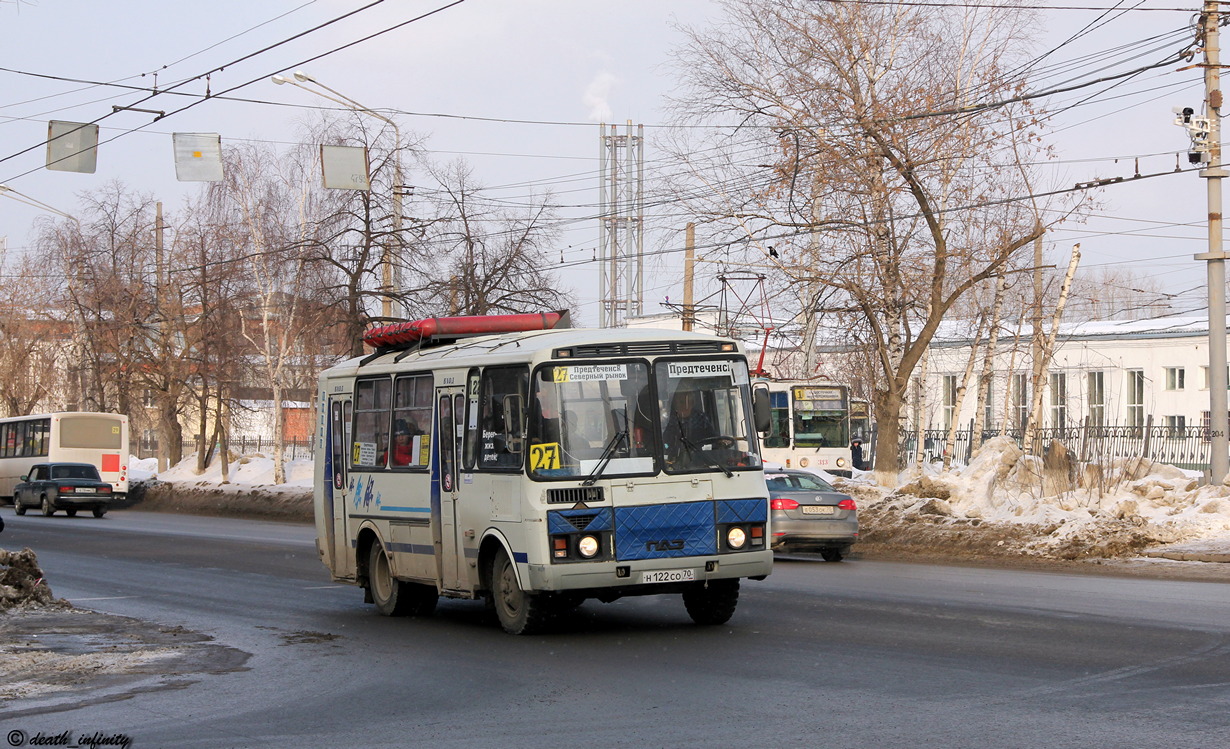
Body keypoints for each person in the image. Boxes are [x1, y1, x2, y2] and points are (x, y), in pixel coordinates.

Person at [663, 388, 718, 460]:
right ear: (675, 403)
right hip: (672, 458)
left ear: (693, 403)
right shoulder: (667, 419)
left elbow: (712, 437)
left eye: (689, 402)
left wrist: (720, 442)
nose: (685, 406)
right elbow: (663, 442)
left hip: (699, 456)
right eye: (682, 402)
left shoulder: (700, 417)